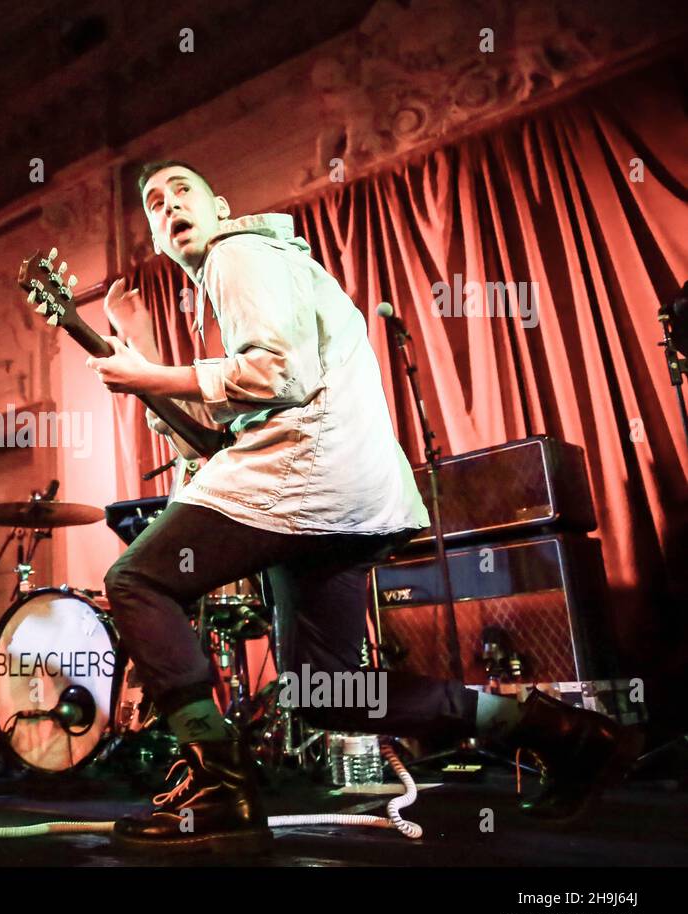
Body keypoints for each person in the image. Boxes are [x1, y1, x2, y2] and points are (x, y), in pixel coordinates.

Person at [85, 161, 641, 847]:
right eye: (154, 203)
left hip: (302, 476)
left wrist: (148, 371)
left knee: (136, 580)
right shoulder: (254, 268)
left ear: (220, 205)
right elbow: (230, 421)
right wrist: (141, 353)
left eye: (182, 191)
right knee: (329, 692)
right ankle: (565, 733)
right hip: (339, 498)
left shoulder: (240, 251)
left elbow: (279, 373)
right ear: (158, 240)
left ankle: (222, 788)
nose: (168, 205)